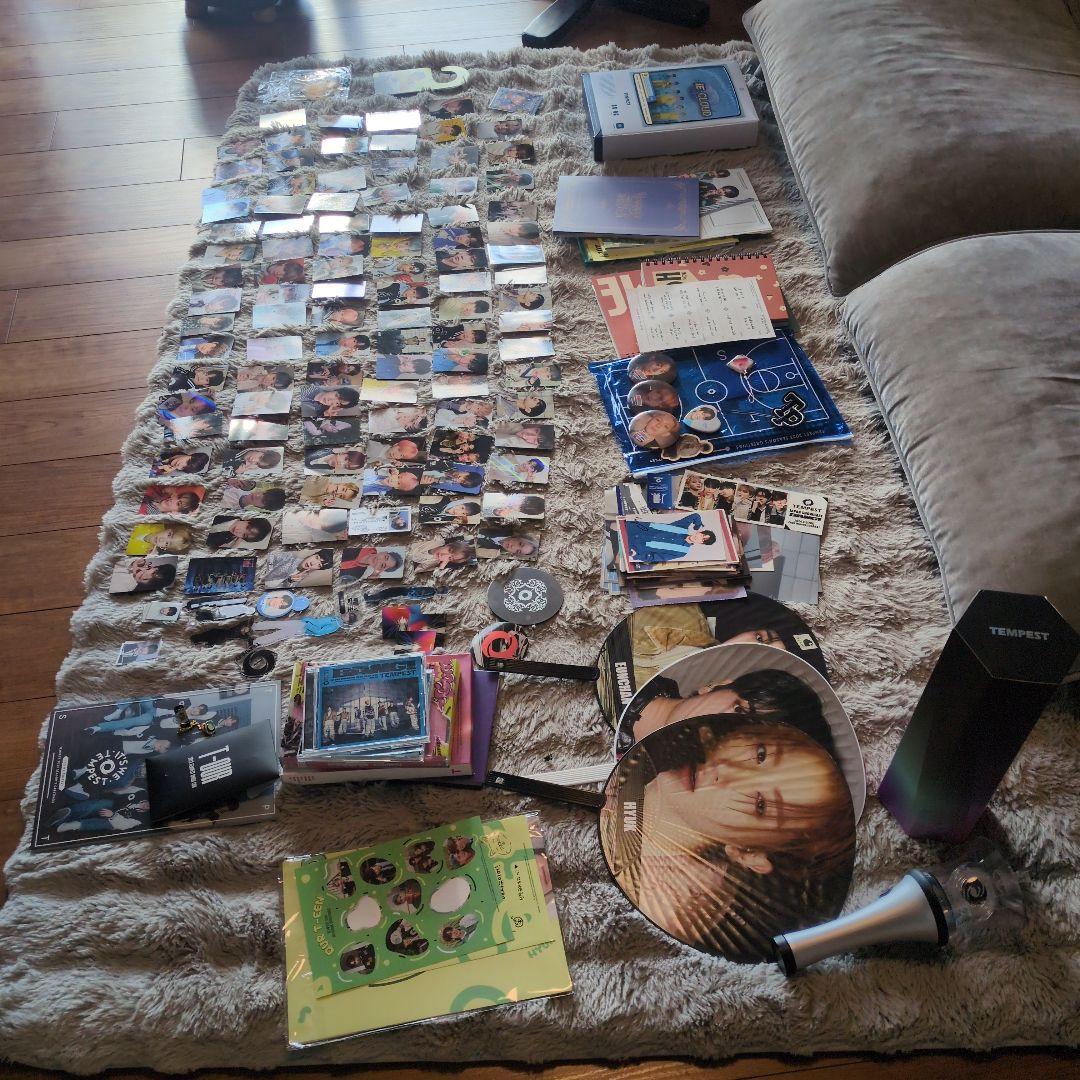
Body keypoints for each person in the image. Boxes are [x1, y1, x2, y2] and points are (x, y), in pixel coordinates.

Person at [601, 715, 853, 960]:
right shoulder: (647, 750)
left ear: (750, 854)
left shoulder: (659, 905)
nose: (727, 770)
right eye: (761, 755)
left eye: (761, 805)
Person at [623, 513, 717, 563]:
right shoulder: (681, 528)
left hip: (634, 547)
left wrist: (637, 555)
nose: (699, 538)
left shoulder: (682, 552)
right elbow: (695, 516)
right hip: (633, 529)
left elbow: (655, 557)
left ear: (701, 543)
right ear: (699, 532)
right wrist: (697, 526)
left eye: (703, 540)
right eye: (702, 535)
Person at [206, 517, 272, 550]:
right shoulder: (228, 513)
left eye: (244, 535)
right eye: (247, 527)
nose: (239, 531)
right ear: (247, 520)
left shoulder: (228, 539)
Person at [127, 522, 194, 555]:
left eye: (167, 543)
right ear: (168, 529)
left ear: (164, 548)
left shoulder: (147, 553)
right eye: (169, 535)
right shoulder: (150, 522)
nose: (161, 540)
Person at [221, 480, 286, 512]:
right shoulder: (239, 484)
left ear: (261, 507)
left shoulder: (235, 512)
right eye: (263, 493)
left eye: (263, 501)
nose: (258, 496)